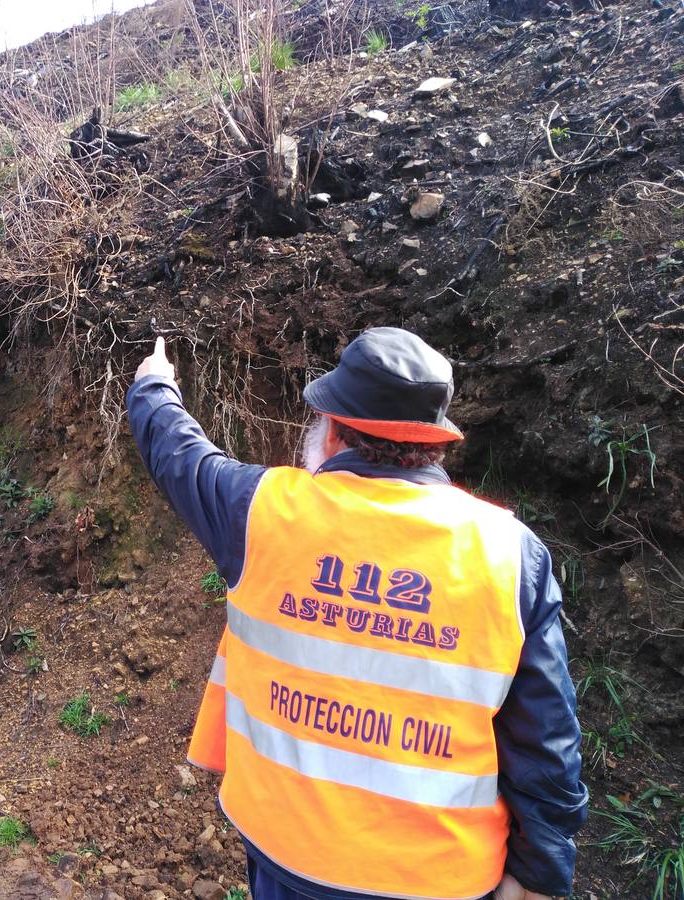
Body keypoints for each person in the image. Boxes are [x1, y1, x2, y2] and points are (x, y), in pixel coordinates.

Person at [126, 328, 587, 900]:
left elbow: (180, 456)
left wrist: (153, 386)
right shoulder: (510, 553)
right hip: (439, 877)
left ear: (335, 432)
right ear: (434, 445)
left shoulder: (263, 511)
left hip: (288, 858)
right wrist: (540, 872)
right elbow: (545, 737)